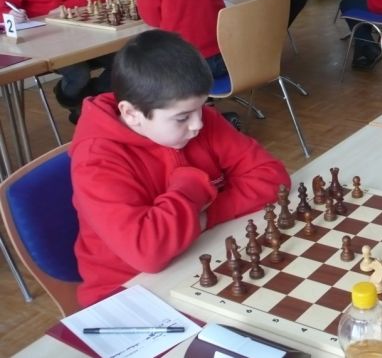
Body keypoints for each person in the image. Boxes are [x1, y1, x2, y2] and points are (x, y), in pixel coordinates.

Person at [70, 30, 290, 306]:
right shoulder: (95, 160)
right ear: (131, 114)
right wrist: (191, 186)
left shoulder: (199, 119)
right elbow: (148, 252)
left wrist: (202, 218)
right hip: (126, 292)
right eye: (182, 117)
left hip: (201, 256)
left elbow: (273, 178)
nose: (198, 124)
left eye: (203, 106)